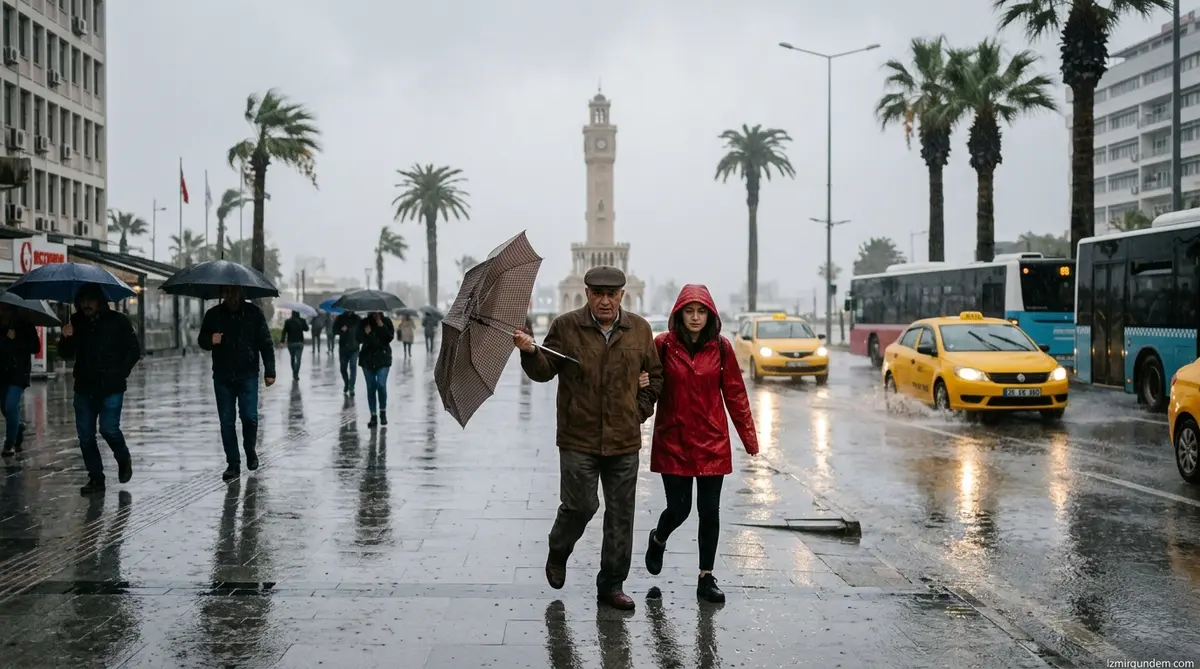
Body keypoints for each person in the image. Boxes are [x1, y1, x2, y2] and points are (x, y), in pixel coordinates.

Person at [515, 265, 663, 611]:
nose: (605, 301)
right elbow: (543, 372)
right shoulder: (566, 327)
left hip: (623, 439)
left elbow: (655, 378)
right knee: (581, 505)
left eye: (612, 294)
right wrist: (528, 351)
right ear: (587, 294)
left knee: (621, 514)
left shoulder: (639, 330)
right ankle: (559, 547)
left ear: (622, 296)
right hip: (578, 438)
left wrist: (638, 411)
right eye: (598, 294)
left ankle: (611, 585)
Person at [644, 284, 759, 604]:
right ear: (679, 313)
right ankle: (658, 537)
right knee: (679, 509)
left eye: (701, 311)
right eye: (689, 311)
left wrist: (749, 438)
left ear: (710, 314)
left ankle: (706, 577)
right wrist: (641, 385)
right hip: (674, 439)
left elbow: (735, 394)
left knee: (709, 511)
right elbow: (648, 383)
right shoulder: (662, 346)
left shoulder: (721, 348)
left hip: (712, 442)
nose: (695, 318)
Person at [57, 284, 141, 494]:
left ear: (100, 301)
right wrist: (66, 337)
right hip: (84, 386)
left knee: (108, 428)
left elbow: (134, 350)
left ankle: (123, 458)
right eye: (82, 301)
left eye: (91, 300)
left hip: (111, 386)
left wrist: (120, 372)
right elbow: (66, 354)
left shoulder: (119, 321)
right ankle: (96, 478)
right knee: (85, 436)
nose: (86, 305)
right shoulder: (75, 322)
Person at [198, 286, 276, 481]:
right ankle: (233, 464)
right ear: (223, 294)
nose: (231, 296)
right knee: (227, 422)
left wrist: (270, 371)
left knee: (249, 417)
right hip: (223, 376)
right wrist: (211, 339)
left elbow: (266, 342)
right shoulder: (213, 315)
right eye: (228, 292)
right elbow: (202, 340)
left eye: (235, 293)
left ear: (241, 294)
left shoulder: (254, 314)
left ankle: (250, 449)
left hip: (248, 374)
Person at [0, 304, 40, 457]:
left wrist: (15, 339)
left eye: (5, 309)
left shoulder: (25, 325)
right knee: (5, 407)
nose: (2, 312)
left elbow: (35, 347)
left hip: (18, 373)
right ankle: (18, 425)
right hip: (1, 373)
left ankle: (9, 444)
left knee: (10, 406)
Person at [358, 311, 394, 427]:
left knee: (381, 385)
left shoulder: (386, 321)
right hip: (367, 360)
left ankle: (382, 412)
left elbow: (389, 337)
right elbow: (358, 338)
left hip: (383, 359)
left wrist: (381, 325)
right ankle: (373, 415)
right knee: (371, 387)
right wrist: (365, 333)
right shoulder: (364, 322)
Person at [333, 310, 362, 394]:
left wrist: (360, 340)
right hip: (343, 348)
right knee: (343, 368)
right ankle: (346, 383)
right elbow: (334, 331)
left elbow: (362, 331)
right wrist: (341, 329)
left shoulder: (357, 319)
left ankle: (352, 387)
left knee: (353, 366)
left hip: (354, 348)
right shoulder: (340, 318)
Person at [280, 311, 309, 380]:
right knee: (298, 359)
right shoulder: (302, 320)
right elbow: (307, 329)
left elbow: (284, 332)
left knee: (292, 358)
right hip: (300, 343)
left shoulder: (288, 321)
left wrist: (282, 342)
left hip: (291, 343)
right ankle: (296, 373)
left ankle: (294, 372)